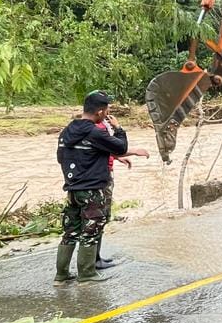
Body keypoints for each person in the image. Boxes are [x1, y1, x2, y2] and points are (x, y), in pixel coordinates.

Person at [54, 90, 131, 286]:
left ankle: (61, 275)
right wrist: (119, 128)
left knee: (70, 231)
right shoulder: (94, 132)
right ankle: (87, 274)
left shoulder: (67, 131)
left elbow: (60, 158)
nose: (107, 114)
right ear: (99, 112)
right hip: (92, 189)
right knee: (91, 230)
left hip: (72, 189)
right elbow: (120, 147)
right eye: (106, 111)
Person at [92, 116, 150, 270]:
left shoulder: (92, 126)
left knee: (100, 218)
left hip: (103, 172)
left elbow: (103, 148)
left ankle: (95, 258)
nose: (108, 111)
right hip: (101, 176)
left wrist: (116, 158)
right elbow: (116, 146)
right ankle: (94, 261)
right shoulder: (96, 127)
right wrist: (132, 151)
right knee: (98, 218)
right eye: (106, 107)